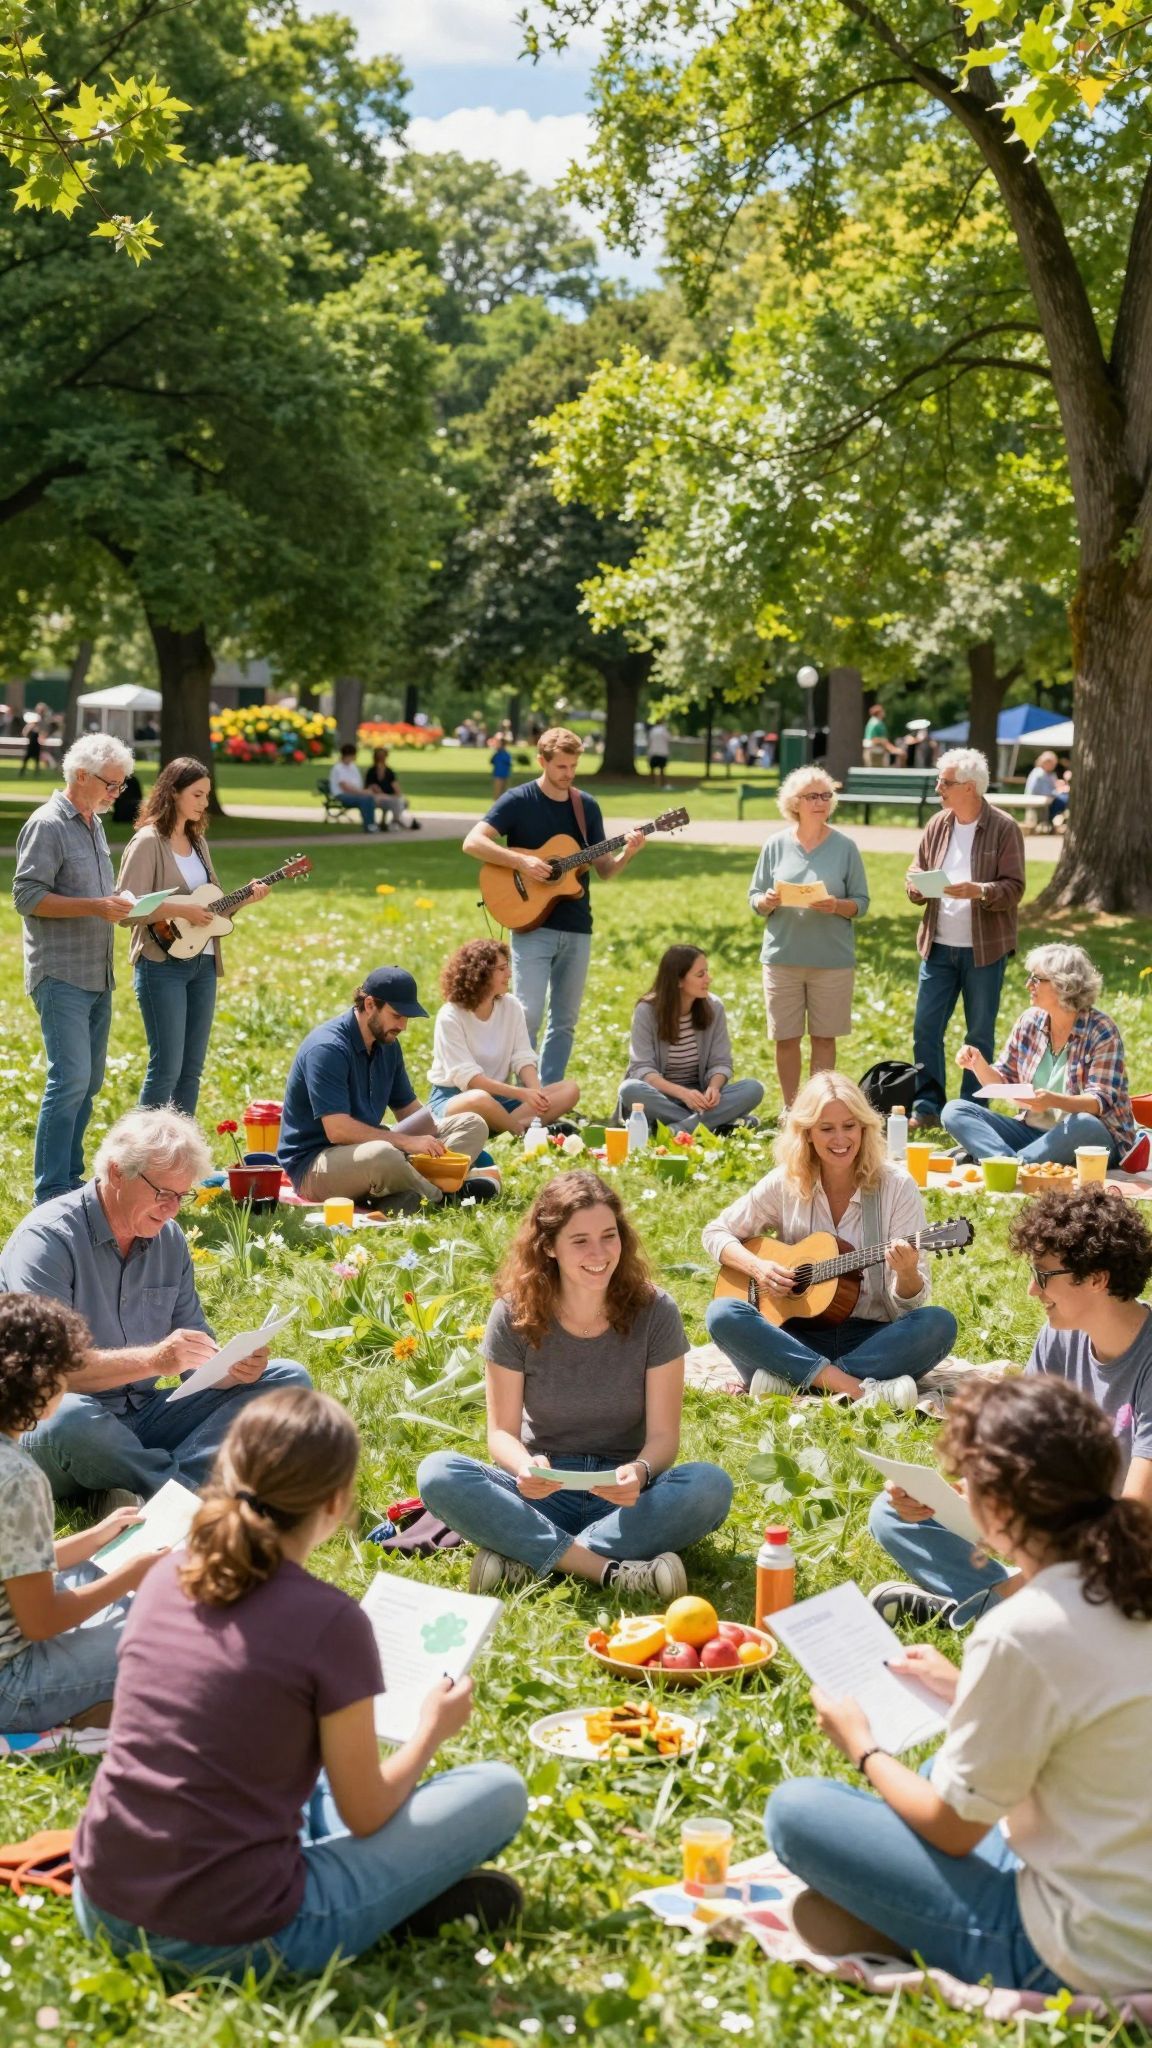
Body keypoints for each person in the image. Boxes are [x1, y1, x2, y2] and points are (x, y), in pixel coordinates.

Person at [72, 1387, 527, 1977]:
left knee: (305, 1772)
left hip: (103, 1904)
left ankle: (392, 1895)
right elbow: (365, 1813)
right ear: (336, 1504)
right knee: (498, 1791)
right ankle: (387, 1904)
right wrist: (428, 1733)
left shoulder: (165, 1576)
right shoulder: (329, 1621)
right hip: (232, 1934)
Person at [767, 1376, 1152, 1998]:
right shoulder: (1125, 1579)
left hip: (1079, 1949)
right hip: (1123, 1888)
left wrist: (862, 1746)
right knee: (934, 1772)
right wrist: (965, 1689)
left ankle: (926, 1934)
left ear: (999, 1507)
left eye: (967, 1482)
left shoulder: (1022, 1630)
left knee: (798, 1811)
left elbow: (953, 1829)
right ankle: (900, 1922)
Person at [418, 1172, 733, 1597]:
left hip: (624, 1496)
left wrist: (639, 1473)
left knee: (709, 1486)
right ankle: (608, 1570)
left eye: (609, 1236)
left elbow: (663, 1437)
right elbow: (502, 1434)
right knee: (438, 1473)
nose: (599, 1253)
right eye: (580, 1241)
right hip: (540, 1490)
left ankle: (531, 1558)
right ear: (548, 1247)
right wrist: (523, 1467)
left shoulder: (655, 1311)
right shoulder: (513, 1313)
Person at [868, 1182, 1152, 1627]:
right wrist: (958, 1498)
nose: (1030, 1291)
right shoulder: (1059, 1339)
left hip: (1128, 1543)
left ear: (1097, 1279)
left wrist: (1020, 1573)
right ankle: (1033, 1609)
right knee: (892, 1513)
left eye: (1043, 1275)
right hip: (1062, 1533)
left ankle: (986, 1609)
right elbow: (1026, 1459)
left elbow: (1136, 1513)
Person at [0, 1109, 311, 1508]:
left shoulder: (169, 1239)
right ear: (116, 1172)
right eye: (163, 1193)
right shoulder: (47, 1241)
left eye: (182, 1197)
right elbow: (48, 1372)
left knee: (288, 1380)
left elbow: (191, 1354)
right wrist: (156, 1359)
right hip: (49, 1418)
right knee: (70, 1420)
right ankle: (188, 1496)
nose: (172, 1209)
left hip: (144, 1416)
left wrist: (228, 1370)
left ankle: (134, 1489)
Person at [703, 1073, 957, 1410]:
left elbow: (911, 1306)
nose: (841, 1138)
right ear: (807, 1133)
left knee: (938, 1324)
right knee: (723, 1313)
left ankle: (794, 1380)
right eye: (826, 1129)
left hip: (871, 1336)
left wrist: (908, 1273)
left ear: (864, 1128)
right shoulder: (786, 1181)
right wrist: (759, 1268)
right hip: (795, 1334)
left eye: (849, 1126)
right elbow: (716, 1232)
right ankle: (857, 1389)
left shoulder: (896, 1186)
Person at [0, 1293, 163, 1733]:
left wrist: (95, 1537)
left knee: (98, 1571)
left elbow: (13, 1560)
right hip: (12, 1684)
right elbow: (40, 1622)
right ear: (42, 1381)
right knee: (175, 1633)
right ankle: (87, 1711)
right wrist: (129, 1576)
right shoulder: (18, 1479)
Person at [462, 728, 646, 1085]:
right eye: (561, 766)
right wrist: (522, 863)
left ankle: (548, 1098)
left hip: (577, 925)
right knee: (528, 1014)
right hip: (531, 924)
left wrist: (628, 853)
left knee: (565, 1021)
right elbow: (472, 842)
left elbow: (605, 870)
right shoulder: (518, 800)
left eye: (574, 765)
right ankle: (518, 1095)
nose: (568, 774)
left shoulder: (585, 806)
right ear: (542, 761)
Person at [12, 734, 137, 1206]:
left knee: (90, 1082)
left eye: (121, 787)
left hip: (97, 972)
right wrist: (95, 905)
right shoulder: (47, 824)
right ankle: (50, 1192)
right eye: (111, 784)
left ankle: (68, 1178)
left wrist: (122, 906)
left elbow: (99, 898)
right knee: (70, 1079)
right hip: (61, 973)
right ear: (80, 775)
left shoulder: (93, 824)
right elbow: (27, 898)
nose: (115, 794)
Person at [117, 757, 270, 1117]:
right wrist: (179, 909)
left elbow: (211, 910)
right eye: (197, 794)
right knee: (166, 1069)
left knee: (191, 1072)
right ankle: (142, 1155)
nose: (204, 803)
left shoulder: (198, 842)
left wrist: (245, 898)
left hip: (202, 964)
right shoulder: (147, 842)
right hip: (161, 965)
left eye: (207, 795)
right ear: (172, 793)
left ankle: (179, 1158)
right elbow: (126, 909)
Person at [279, 966, 489, 1212]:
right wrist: (406, 1144)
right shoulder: (327, 1049)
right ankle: (440, 1197)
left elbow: (408, 1111)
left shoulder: (387, 1043)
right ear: (370, 1005)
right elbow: (337, 1131)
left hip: (373, 1147)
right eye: (397, 1016)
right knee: (383, 1155)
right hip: (316, 1163)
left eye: (407, 1018)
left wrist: (435, 1142)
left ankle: (404, 1193)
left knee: (473, 1124)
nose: (404, 1026)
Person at [940, 943, 1145, 1173]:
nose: (1029, 985)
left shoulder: (1101, 1030)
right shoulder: (1029, 1021)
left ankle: (1002, 1163)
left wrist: (1052, 1100)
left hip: (1090, 1137)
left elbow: (1098, 1103)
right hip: (1032, 1134)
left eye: (1037, 979)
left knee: (1084, 1123)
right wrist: (977, 1064)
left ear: (1063, 984)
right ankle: (1012, 1164)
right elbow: (1002, 1082)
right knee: (955, 1110)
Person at [907, 748, 1026, 1132]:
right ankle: (927, 1106)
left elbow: (1014, 888)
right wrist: (917, 886)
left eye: (946, 782)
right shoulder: (938, 824)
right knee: (926, 1028)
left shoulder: (1004, 827)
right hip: (938, 946)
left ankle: (972, 1110)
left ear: (970, 788)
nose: (939, 787)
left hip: (984, 950)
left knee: (978, 1033)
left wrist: (980, 890)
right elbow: (917, 870)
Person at [747, 765, 870, 1109]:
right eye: (812, 796)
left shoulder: (845, 847)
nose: (820, 802)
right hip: (782, 957)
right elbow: (754, 895)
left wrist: (837, 905)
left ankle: (818, 1109)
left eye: (826, 795)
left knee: (823, 1038)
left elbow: (862, 903)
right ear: (794, 803)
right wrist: (766, 901)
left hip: (831, 960)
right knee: (785, 1039)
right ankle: (790, 1110)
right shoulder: (775, 845)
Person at [427, 939, 580, 1138]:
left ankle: (504, 1125)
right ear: (480, 975)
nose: (509, 974)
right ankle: (519, 1132)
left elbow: (523, 1056)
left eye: (507, 967)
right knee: (479, 1099)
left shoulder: (511, 1006)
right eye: (501, 969)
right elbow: (471, 1081)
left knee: (570, 1090)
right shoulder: (450, 1016)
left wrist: (536, 1094)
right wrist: (521, 1094)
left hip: (501, 1099)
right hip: (457, 1099)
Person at [617, 945, 765, 1136]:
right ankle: (714, 1124)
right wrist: (683, 1094)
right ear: (678, 980)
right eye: (700, 974)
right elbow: (642, 1069)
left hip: (702, 1100)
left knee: (753, 1089)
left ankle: (678, 1128)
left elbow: (721, 1062)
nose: (708, 979)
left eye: (707, 972)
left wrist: (714, 1087)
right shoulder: (647, 1011)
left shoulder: (714, 1007)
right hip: (661, 1098)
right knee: (629, 1089)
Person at [364, 747, 420, 831]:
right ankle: (396, 822)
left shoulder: (389, 772)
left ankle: (395, 821)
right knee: (397, 801)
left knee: (401, 801)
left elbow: (396, 788)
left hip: (389, 797)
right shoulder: (371, 772)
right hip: (378, 798)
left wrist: (396, 795)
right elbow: (371, 789)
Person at [327, 744, 379, 833]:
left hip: (354, 794)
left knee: (369, 798)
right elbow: (344, 787)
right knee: (365, 799)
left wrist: (366, 791)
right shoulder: (338, 768)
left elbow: (357, 784)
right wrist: (362, 792)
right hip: (342, 795)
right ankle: (368, 825)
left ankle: (372, 824)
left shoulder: (353, 767)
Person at [1024, 749, 1069, 830]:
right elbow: (1042, 791)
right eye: (1052, 763)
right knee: (1065, 800)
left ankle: (1055, 821)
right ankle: (1052, 821)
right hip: (1038, 800)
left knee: (1065, 797)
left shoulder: (1048, 773)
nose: (1054, 766)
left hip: (1047, 799)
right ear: (1045, 762)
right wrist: (1059, 791)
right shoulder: (1039, 774)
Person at [646, 719, 671, 787]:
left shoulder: (652, 731)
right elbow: (668, 739)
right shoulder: (664, 730)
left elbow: (649, 742)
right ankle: (662, 784)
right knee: (662, 770)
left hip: (653, 752)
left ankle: (652, 783)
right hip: (662, 752)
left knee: (652, 770)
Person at [19, 713, 42, 778]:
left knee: (37, 761)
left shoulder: (37, 728)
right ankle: (22, 771)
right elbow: (24, 733)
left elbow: (40, 735)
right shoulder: (29, 727)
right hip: (31, 745)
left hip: (36, 746)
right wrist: (29, 726)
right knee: (26, 759)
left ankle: (37, 773)